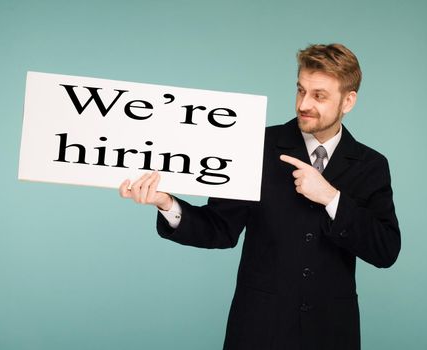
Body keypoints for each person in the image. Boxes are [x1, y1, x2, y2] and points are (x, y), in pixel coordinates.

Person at [119, 43, 401, 350]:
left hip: (331, 332)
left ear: (348, 101)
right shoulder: (255, 146)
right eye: (300, 90)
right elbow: (219, 228)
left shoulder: (371, 166)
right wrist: (166, 203)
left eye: (319, 95)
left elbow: (385, 250)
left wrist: (331, 198)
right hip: (259, 329)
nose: (304, 103)